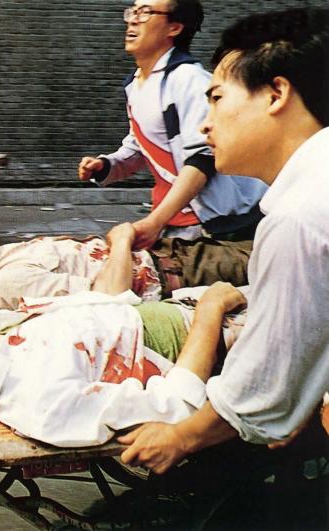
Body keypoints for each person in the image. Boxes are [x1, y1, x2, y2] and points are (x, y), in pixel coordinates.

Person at [119, 7, 329, 474]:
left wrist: (182, 436)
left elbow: (265, 384)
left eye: (217, 98)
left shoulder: (300, 216)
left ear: (276, 94)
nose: (205, 124)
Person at [0, 282, 247, 449]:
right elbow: (179, 404)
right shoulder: (42, 402)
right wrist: (210, 312)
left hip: (194, 306)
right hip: (228, 339)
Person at [77, 0, 266, 249]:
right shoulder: (136, 85)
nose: (133, 19)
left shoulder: (189, 80)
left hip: (218, 222)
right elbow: (140, 147)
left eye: (145, 12)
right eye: (133, 11)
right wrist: (106, 165)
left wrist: (155, 221)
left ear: (174, 28)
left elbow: (204, 157)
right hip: (176, 220)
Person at [0, 225, 251, 312]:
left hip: (176, 258)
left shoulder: (7, 262)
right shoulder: (6, 283)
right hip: (184, 276)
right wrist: (120, 240)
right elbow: (108, 296)